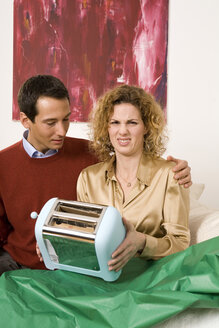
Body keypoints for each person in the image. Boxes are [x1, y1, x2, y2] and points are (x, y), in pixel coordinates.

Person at [0, 75, 191, 275]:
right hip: (18, 261)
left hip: (76, 269)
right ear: (25, 120)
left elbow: (129, 155)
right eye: (51, 122)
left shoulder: (90, 155)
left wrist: (178, 171)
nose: (62, 131)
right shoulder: (4, 164)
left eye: (66, 119)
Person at [77, 84, 190, 272]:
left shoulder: (171, 175)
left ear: (146, 127)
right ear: (106, 127)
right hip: (103, 275)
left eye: (132, 122)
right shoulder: (88, 178)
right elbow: (85, 239)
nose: (123, 131)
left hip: (151, 278)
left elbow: (181, 244)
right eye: (115, 122)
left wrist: (143, 242)